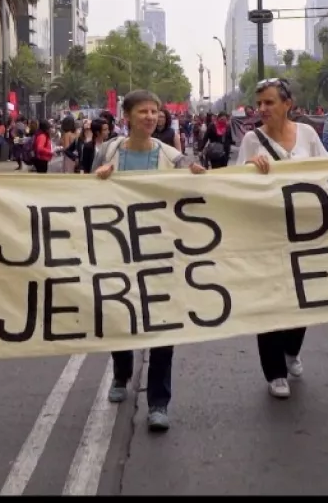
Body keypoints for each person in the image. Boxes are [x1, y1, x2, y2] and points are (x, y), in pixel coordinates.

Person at [235, 78, 328, 399]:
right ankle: (275, 373)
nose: (263, 109)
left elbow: (325, 169)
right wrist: (248, 168)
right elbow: (235, 183)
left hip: (305, 233)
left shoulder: (308, 134)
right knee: (270, 300)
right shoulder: (251, 140)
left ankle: (291, 350)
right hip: (267, 235)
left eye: (269, 102)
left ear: (288, 104)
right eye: (259, 103)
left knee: (304, 295)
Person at [95, 90, 205, 431]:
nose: (150, 117)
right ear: (127, 116)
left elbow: (191, 190)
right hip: (118, 251)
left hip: (161, 253)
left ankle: (159, 401)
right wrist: (98, 179)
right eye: (142, 111)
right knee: (119, 316)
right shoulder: (108, 152)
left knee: (163, 325)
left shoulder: (172, 157)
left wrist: (199, 175)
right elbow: (83, 195)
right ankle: (121, 373)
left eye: (154, 111)